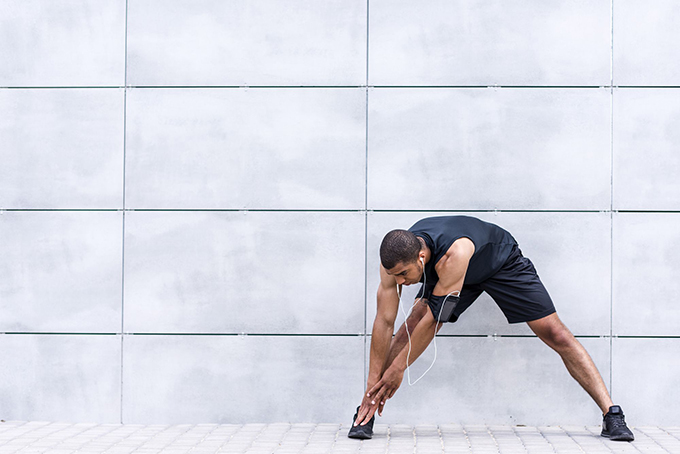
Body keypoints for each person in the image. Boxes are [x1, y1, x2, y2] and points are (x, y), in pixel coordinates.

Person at [347, 215, 634, 442]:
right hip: (451, 274)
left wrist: (398, 370)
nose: (400, 282)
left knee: (555, 333)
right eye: (394, 275)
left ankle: (612, 414)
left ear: (421, 258)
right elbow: (384, 323)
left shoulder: (453, 254)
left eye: (404, 275)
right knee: (410, 322)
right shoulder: (394, 260)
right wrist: (372, 386)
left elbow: (435, 321)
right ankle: (366, 412)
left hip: (500, 263)